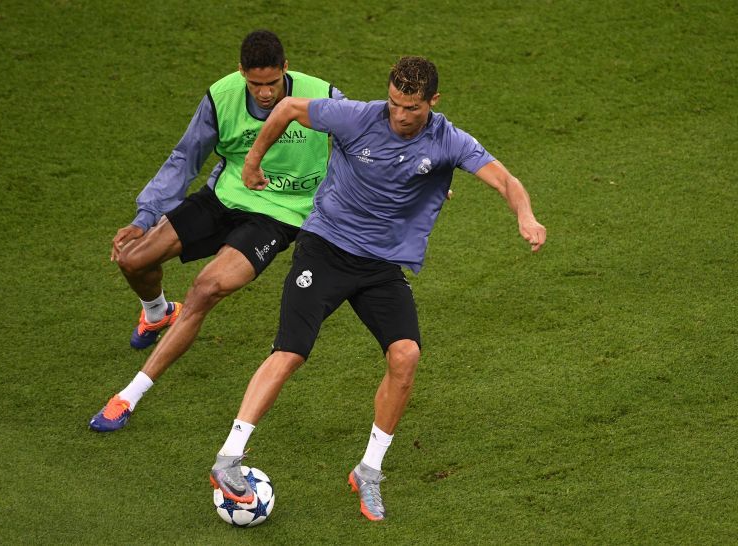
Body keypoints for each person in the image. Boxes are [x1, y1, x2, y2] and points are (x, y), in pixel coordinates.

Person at [208, 56, 546, 521]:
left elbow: (505, 179)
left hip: (381, 266)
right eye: (394, 104)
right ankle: (229, 456)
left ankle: (369, 470)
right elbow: (285, 108)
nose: (400, 116)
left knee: (405, 355)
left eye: (411, 108)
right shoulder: (358, 117)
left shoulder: (449, 140)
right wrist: (251, 160)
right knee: (291, 350)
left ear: (433, 102)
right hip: (325, 248)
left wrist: (525, 216)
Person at [89, 30, 345, 432]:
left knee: (205, 288)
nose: (264, 94)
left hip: (279, 215)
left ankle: (129, 395)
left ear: (286, 69)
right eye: (255, 84)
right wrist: (144, 216)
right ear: (241, 72)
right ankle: (156, 314)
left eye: (272, 83)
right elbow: (184, 158)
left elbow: (371, 137)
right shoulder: (221, 96)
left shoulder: (321, 95)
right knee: (132, 259)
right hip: (223, 197)